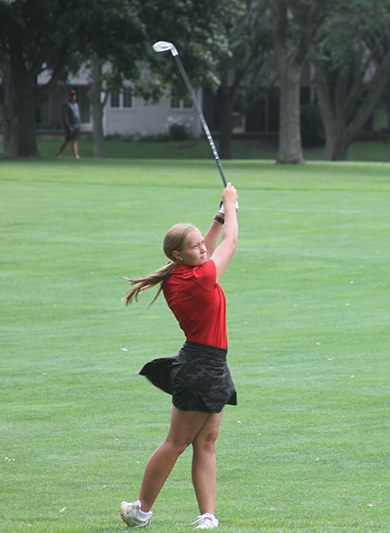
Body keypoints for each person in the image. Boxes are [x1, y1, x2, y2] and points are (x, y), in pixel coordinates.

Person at [119, 183, 239, 529]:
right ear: (177, 256)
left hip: (212, 366)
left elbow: (211, 246)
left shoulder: (181, 272)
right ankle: (140, 511)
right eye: (195, 246)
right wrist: (230, 206)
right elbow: (229, 244)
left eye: (202, 242)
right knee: (177, 442)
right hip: (200, 368)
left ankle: (207, 516)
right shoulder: (199, 278)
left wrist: (219, 216)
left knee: (206, 442)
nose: (203, 248)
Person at [56, 89, 80, 159]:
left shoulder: (76, 104)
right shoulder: (66, 104)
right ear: (69, 96)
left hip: (76, 124)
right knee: (67, 140)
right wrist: (68, 125)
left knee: (75, 140)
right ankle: (58, 153)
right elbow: (65, 115)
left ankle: (76, 155)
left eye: (74, 95)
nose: (73, 97)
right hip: (70, 125)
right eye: (72, 95)